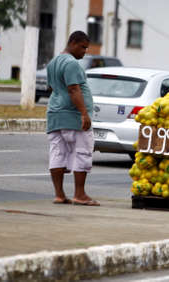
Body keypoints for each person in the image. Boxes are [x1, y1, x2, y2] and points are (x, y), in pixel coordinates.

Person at [45, 30, 99, 206]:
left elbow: (53, 88)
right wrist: (84, 113)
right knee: (82, 152)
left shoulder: (53, 62)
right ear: (73, 43)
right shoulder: (71, 64)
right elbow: (73, 89)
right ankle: (79, 194)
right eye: (83, 48)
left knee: (57, 154)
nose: (84, 52)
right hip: (73, 116)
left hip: (55, 115)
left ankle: (59, 195)